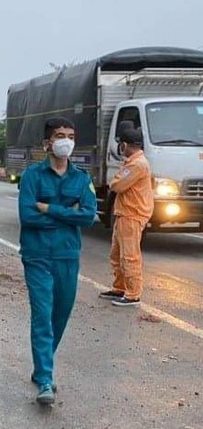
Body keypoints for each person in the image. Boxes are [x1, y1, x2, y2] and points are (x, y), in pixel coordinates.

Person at [18, 117, 97, 405]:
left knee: (60, 315)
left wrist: (49, 208)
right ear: (47, 143)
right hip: (37, 255)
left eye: (71, 135)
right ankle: (46, 380)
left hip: (67, 255)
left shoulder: (81, 178)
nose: (66, 140)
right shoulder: (32, 177)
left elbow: (89, 216)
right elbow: (28, 216)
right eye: (60, 135)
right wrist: (67, 214)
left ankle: (42, 365)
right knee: (42, 313)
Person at [99, 125, 154, 307]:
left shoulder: (137, 164)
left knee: (130, 256)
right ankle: (119, 287)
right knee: (117, 254)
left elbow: (117, 185)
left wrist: (115, 180)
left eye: (121, 145)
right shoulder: (132, 162)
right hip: (124, 213)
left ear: (124, 145)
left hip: (132, 214)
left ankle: (132, 294)